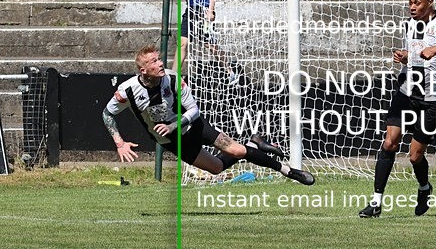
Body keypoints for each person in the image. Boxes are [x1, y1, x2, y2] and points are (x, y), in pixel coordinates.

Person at [102, 45, 315, 185]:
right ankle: (254, 145)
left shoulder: (174, 79)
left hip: (194, 126)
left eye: (159, 59)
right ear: (143, 70)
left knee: (237, 150)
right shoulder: (127, 91)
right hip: (172, 141)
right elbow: (107, 114)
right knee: (216, 168)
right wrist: (119, 143)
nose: (160, 64)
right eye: (154, 62)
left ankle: (288, 171)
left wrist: (174, 125)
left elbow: (194, 110)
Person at [359, 0, 436, 218]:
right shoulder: (409, 24)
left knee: (415, 155)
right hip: (407, 92)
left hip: (433, 98)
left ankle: (424, 188)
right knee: (390, 143)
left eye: (417, 2)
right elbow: (417, 57)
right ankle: (375, 202)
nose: (412, 7)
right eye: (410, 2)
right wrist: (404, 57)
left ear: (430, 2)